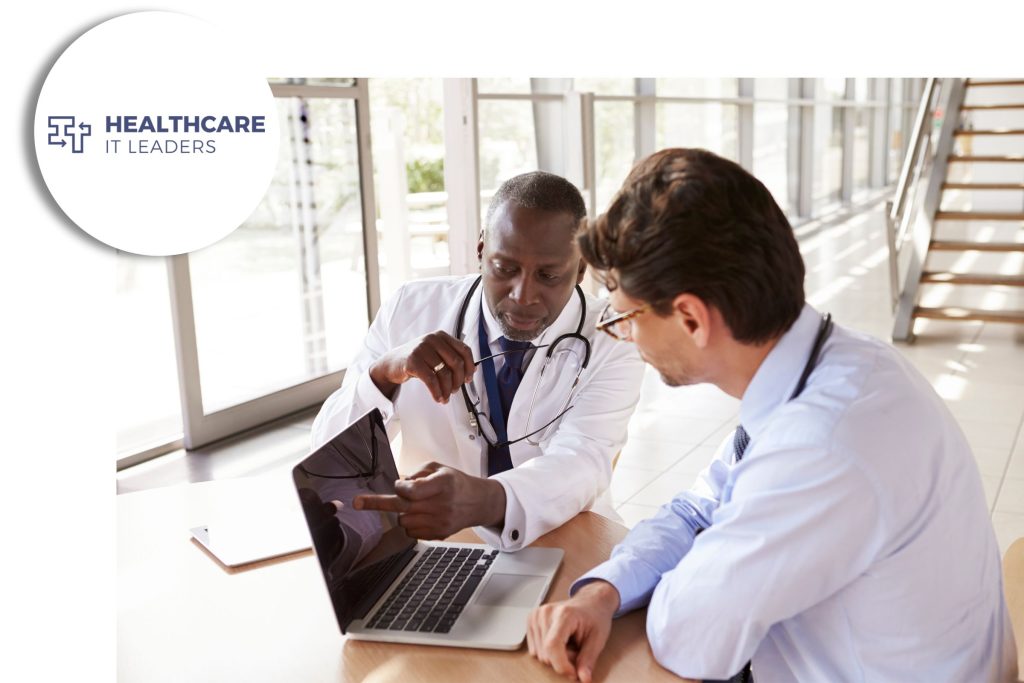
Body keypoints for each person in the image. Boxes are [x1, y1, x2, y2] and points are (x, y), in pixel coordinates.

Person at [527, 148, 1018, 682]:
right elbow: (698, 509)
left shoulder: (822, 445)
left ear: (690, 317)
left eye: (624, 316)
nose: (623, 333)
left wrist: (698, 565)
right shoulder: (834, 364)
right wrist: (605, 591)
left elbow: (688, 637)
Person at [311, 171, 644, 552]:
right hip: (434, 543)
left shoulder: (612, 340)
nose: (523, 295)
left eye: (548, 275)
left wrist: (482, 499)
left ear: (581, 268)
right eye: (505, 269)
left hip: (562, 536)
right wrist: (384, 374)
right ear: (482, 250)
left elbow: (582, 461)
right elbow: (326, 453)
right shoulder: (410, 308)